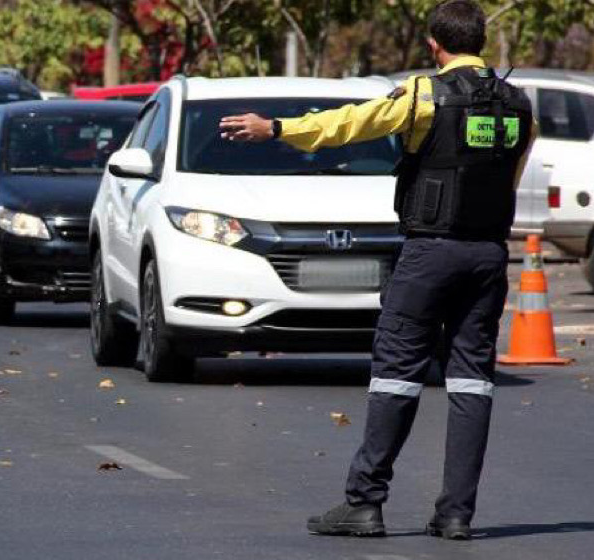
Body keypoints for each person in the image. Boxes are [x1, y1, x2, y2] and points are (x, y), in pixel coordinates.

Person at [219, 0, 535, 540]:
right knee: (471, 382)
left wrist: (274, 128)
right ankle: (457, 514)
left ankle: (364, 502)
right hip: (487, 256)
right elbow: (510, 178)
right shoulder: (518, 104)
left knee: (395, 371)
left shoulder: (424, 94)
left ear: (434, 44)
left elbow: (350, 125)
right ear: (481, 41)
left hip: (429, 252)